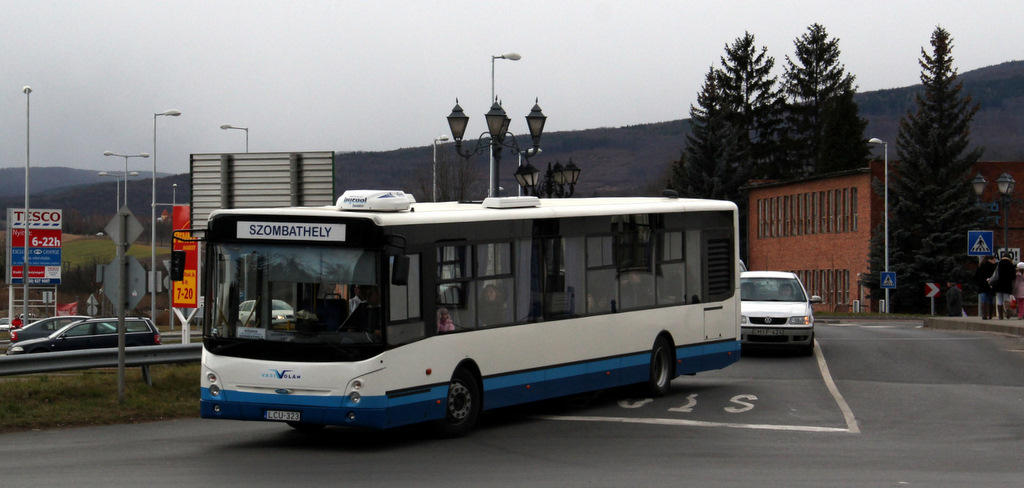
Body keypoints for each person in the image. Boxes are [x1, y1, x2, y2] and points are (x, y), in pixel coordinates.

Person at [992, 253, 1017, 319]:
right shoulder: (1010, 265)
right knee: (1006, 299)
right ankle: (1008, 312)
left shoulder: (998, 264)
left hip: (998, 285)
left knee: (999, 299)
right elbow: (1013, 276)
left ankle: (1000, 315)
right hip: (1007, 285)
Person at [975, 255, 997, 319]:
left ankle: (984, 314)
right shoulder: (993, 266)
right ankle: (990, 315)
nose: (994, 261)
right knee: (990, 300)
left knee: (983, 300)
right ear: (990, 259)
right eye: (994, 260)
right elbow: (995, 277)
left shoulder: (980, 266)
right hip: (990, 285)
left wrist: (979, 282)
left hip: (982, 286)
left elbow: (976, 276)